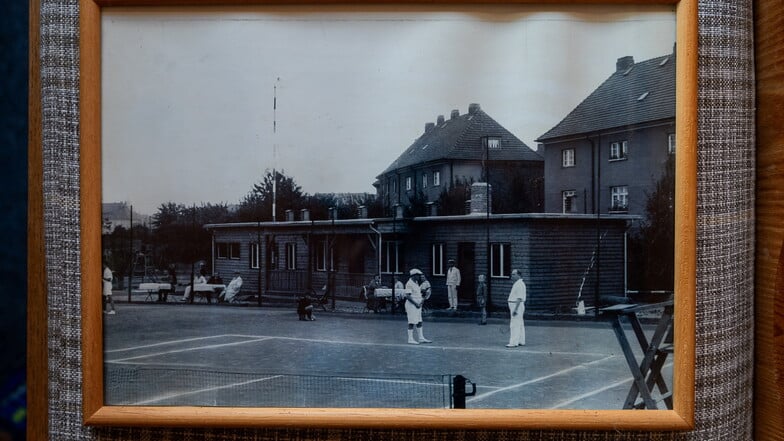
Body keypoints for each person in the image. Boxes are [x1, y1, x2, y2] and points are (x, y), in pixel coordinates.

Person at [403, 268, 431, 345]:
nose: (419, 277)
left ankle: (421, 338)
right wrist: (416, 304)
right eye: (418, 275)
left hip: (418, 305)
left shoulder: (416, 282)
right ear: (414, 275)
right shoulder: (409, 283)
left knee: (419, 321)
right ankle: (410, 339)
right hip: (412, 305)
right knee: (411, 322)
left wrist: (421, 301)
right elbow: (408, 296)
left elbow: (418, 294)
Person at [506, 268, 526, 347]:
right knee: (519, 323)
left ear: (518, 275)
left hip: (516, 305)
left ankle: (513, 342)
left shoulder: (520, 284)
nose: (512, 276)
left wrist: (515, 309)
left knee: (514, 324)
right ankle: (521, 340)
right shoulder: (517, 283)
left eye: (514, 274)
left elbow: (519, 298)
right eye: (512, 274)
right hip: (515, 305)